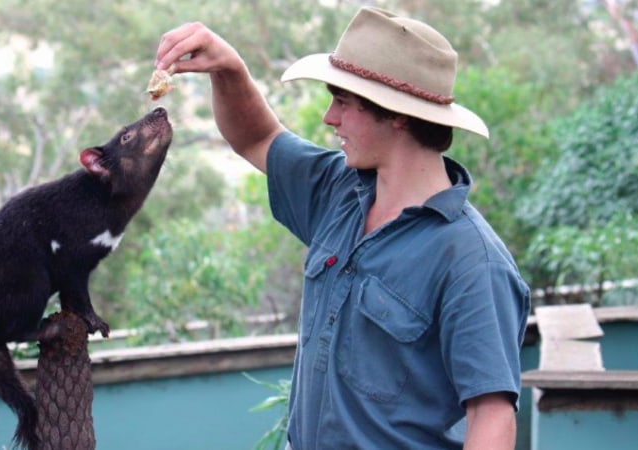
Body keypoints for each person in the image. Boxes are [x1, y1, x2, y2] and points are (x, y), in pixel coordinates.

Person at [155, 7, 529, 450]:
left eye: (344, 102)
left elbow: (492, 418)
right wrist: (228, 69)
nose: (329, 117)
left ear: (398, 115)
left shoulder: (471, 261)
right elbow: (257, 138)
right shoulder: (340, 192)